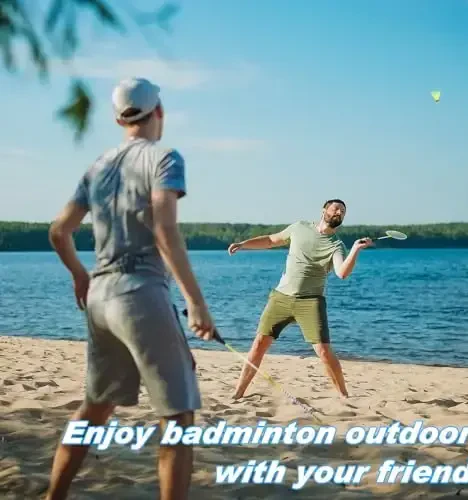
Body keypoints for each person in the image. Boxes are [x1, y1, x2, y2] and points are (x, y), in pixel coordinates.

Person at [45, 77, 215, 500]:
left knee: (95, 407)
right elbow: (164, 228)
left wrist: (80, 275)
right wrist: (195, 302)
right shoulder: (164, 157)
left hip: (100, 297)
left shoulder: (98, 166)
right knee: (177, 417)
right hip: (139, 294)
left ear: (119, 119)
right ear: (159, 112)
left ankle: (54, 495)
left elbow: (59, 232)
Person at [228, 199, 373, 400]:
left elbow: (342, 273)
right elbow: (271, 240)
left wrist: (355, 249)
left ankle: (343, 395)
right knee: (259, 343)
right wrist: (243, 244)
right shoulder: (299, 228)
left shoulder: (336, 245)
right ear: (324, 210)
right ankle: (238, 392)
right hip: (281, 298)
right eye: (336, 208)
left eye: (343, 211)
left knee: (323, 351)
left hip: (311, 302)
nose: (339, 212)